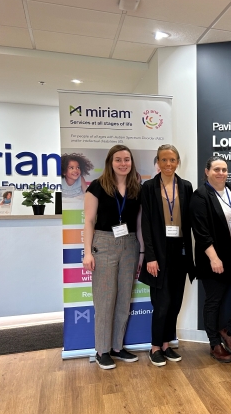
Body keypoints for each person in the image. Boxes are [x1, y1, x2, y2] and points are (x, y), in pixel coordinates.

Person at [82, 145, 144, 370]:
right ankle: (102, 351)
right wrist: (87, 252)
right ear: (110, 162)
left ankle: (117, 347)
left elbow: (138, 223)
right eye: (118, 159)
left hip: (129, 244)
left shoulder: (136, 187)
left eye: (127, 159)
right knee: (105, 300)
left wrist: (142, 252)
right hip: (104, 243)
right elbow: (89, 221)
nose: (123, 163)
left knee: (123, 301)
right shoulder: (98, 186)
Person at [139, 144, 195, 366]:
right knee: (161, 302)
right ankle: (154, 347)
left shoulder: (186, 186)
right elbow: (146, 224)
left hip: (180, 250)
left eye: (172, 160)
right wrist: (150, 256)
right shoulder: (149, 187)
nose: (168, 164)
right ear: (158, 162)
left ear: (178, 162)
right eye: (164, 160)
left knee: (175, 302)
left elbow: (189, 221)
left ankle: (166, 344)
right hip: (158, 251)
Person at [190, 156, 231, 363]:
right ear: (207, 171)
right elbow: (201, 233)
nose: (221, 173)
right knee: (213, 302)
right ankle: (214, 344)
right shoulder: (200, 196)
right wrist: (214, 258)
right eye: (216, 169)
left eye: (224, 169)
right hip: (214, 260)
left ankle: (229, 331)